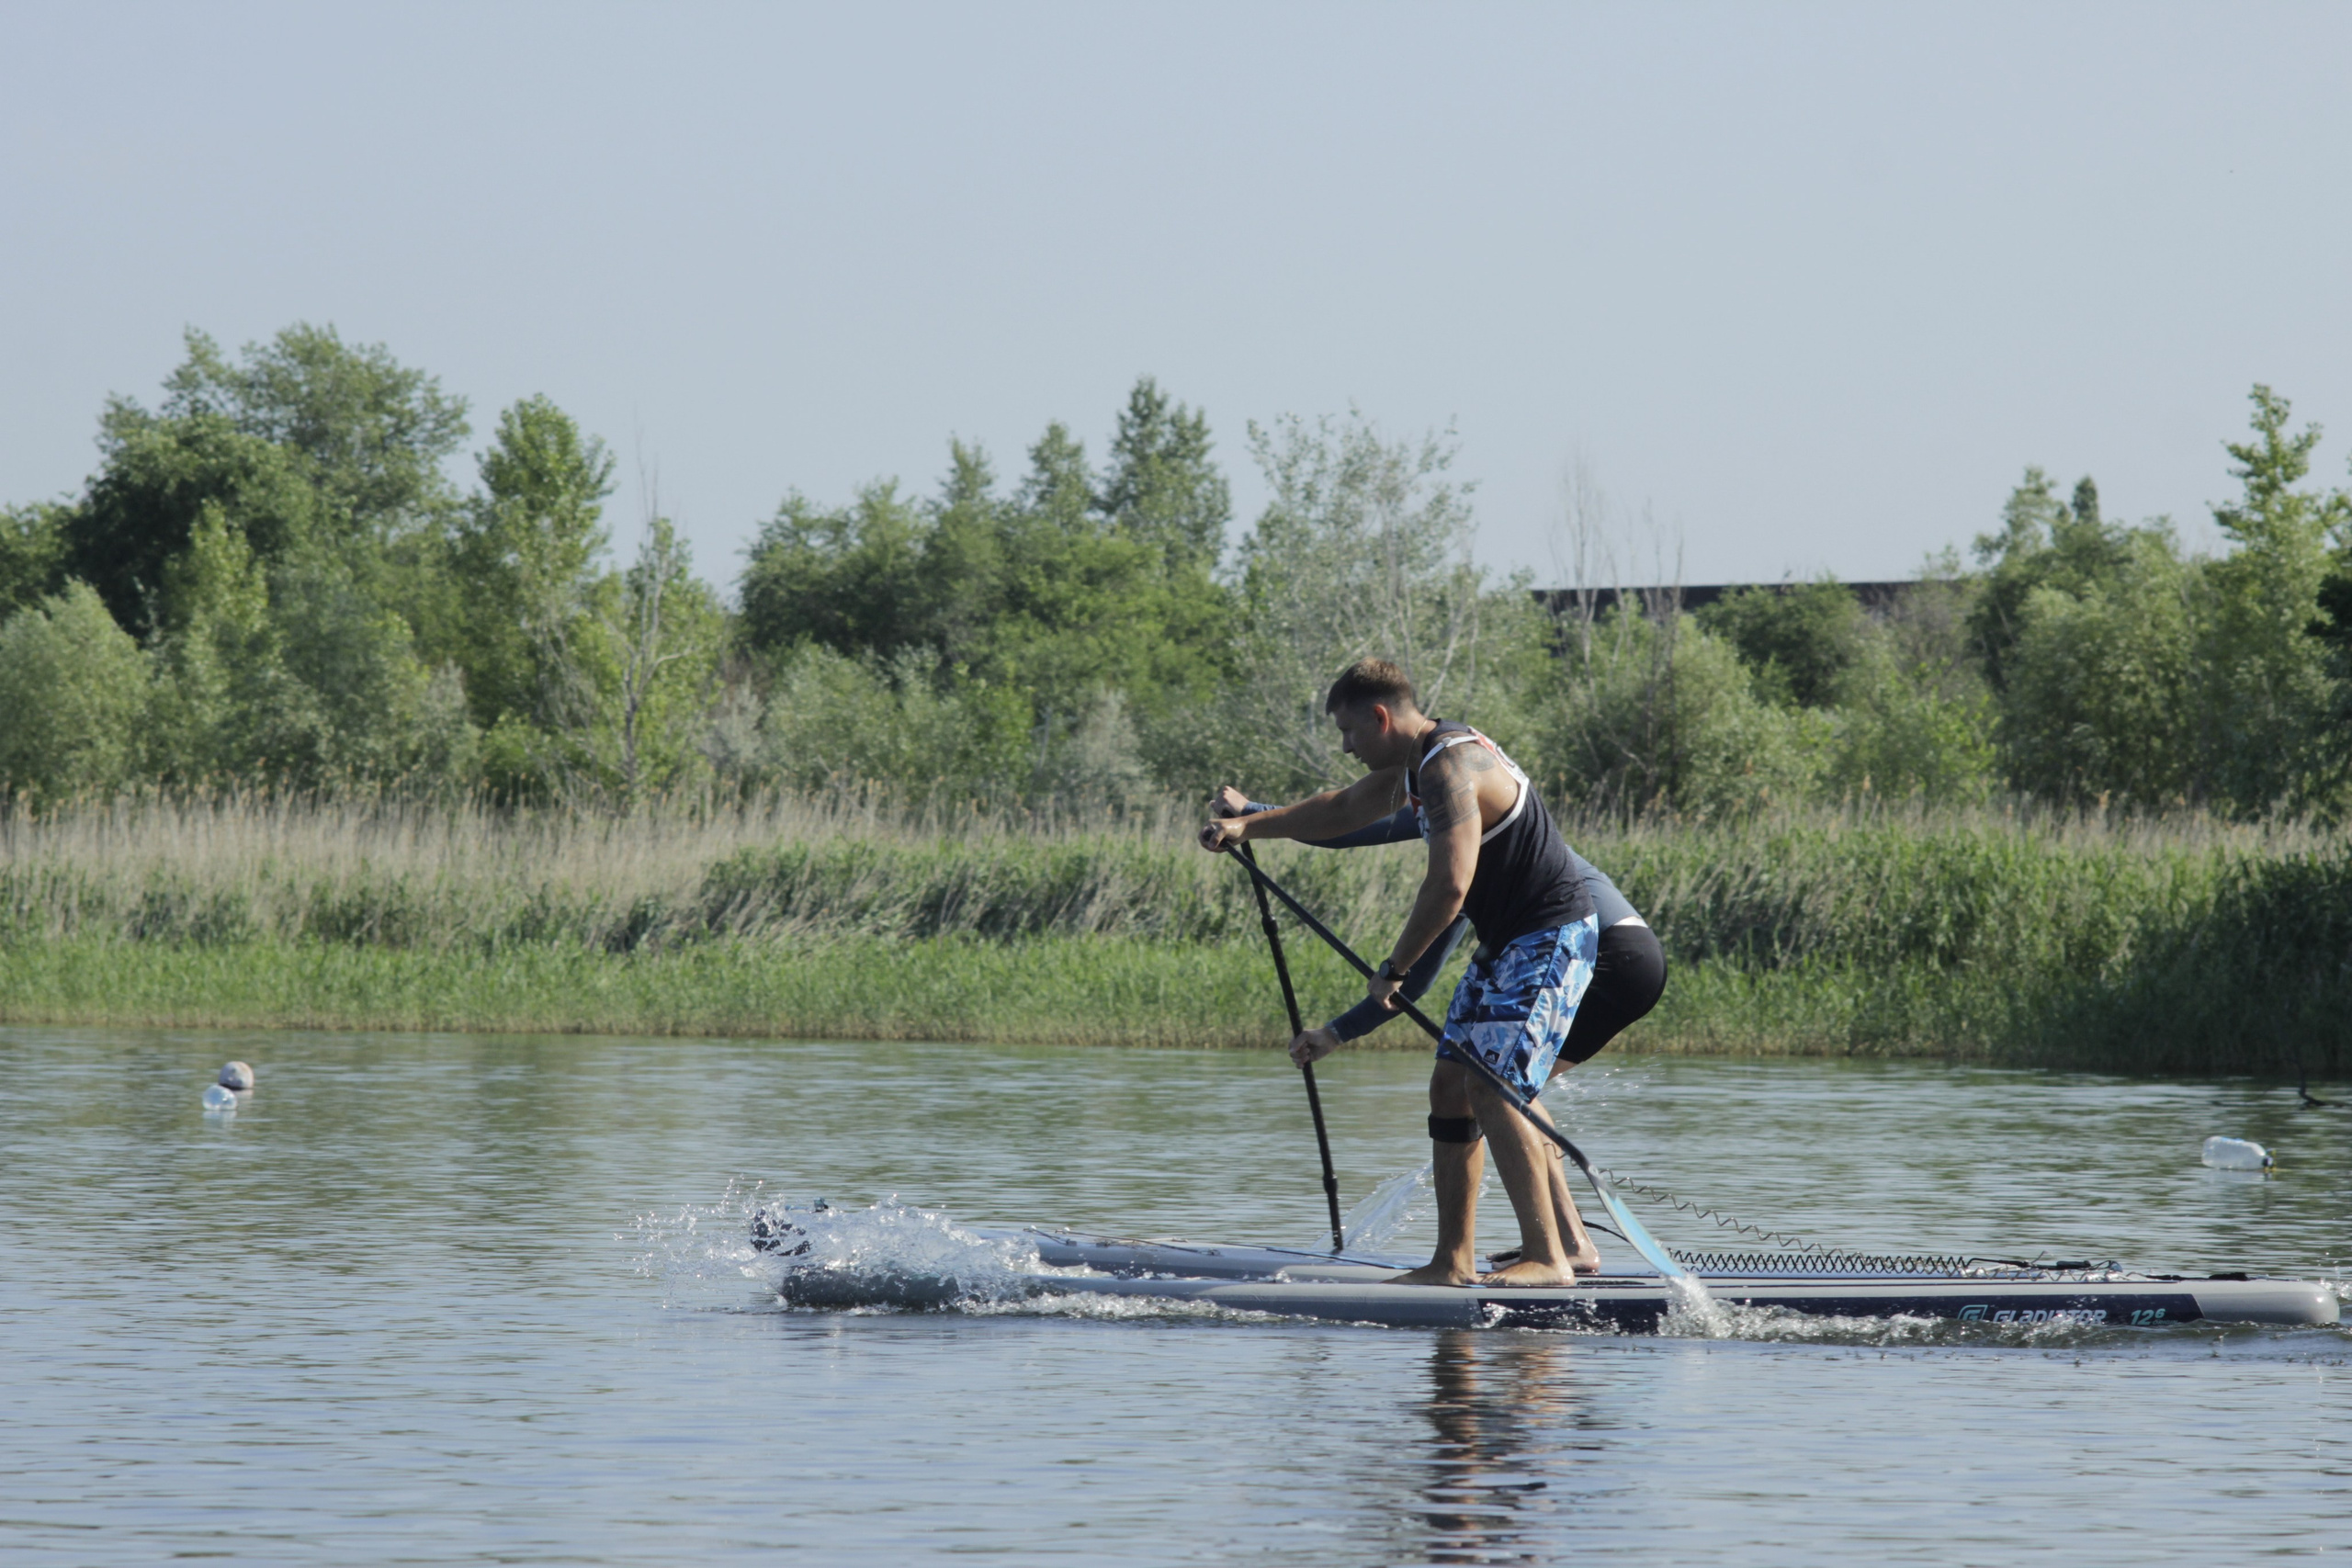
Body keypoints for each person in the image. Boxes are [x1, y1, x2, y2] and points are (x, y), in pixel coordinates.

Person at [1198, 658, 1666, 1287]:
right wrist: (1247, 824)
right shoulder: (1419, 766)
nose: (1346, 746)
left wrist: (1394, 968)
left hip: (1550, 932)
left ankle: (1551, 1258)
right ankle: (1452, 1260)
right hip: (1509, 942)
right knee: (1451, 1086)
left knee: (1495, 1085)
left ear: (1381, 716)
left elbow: (1449, 884)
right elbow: (1340, 811)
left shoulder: (1450, 763)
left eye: (1348, 732)